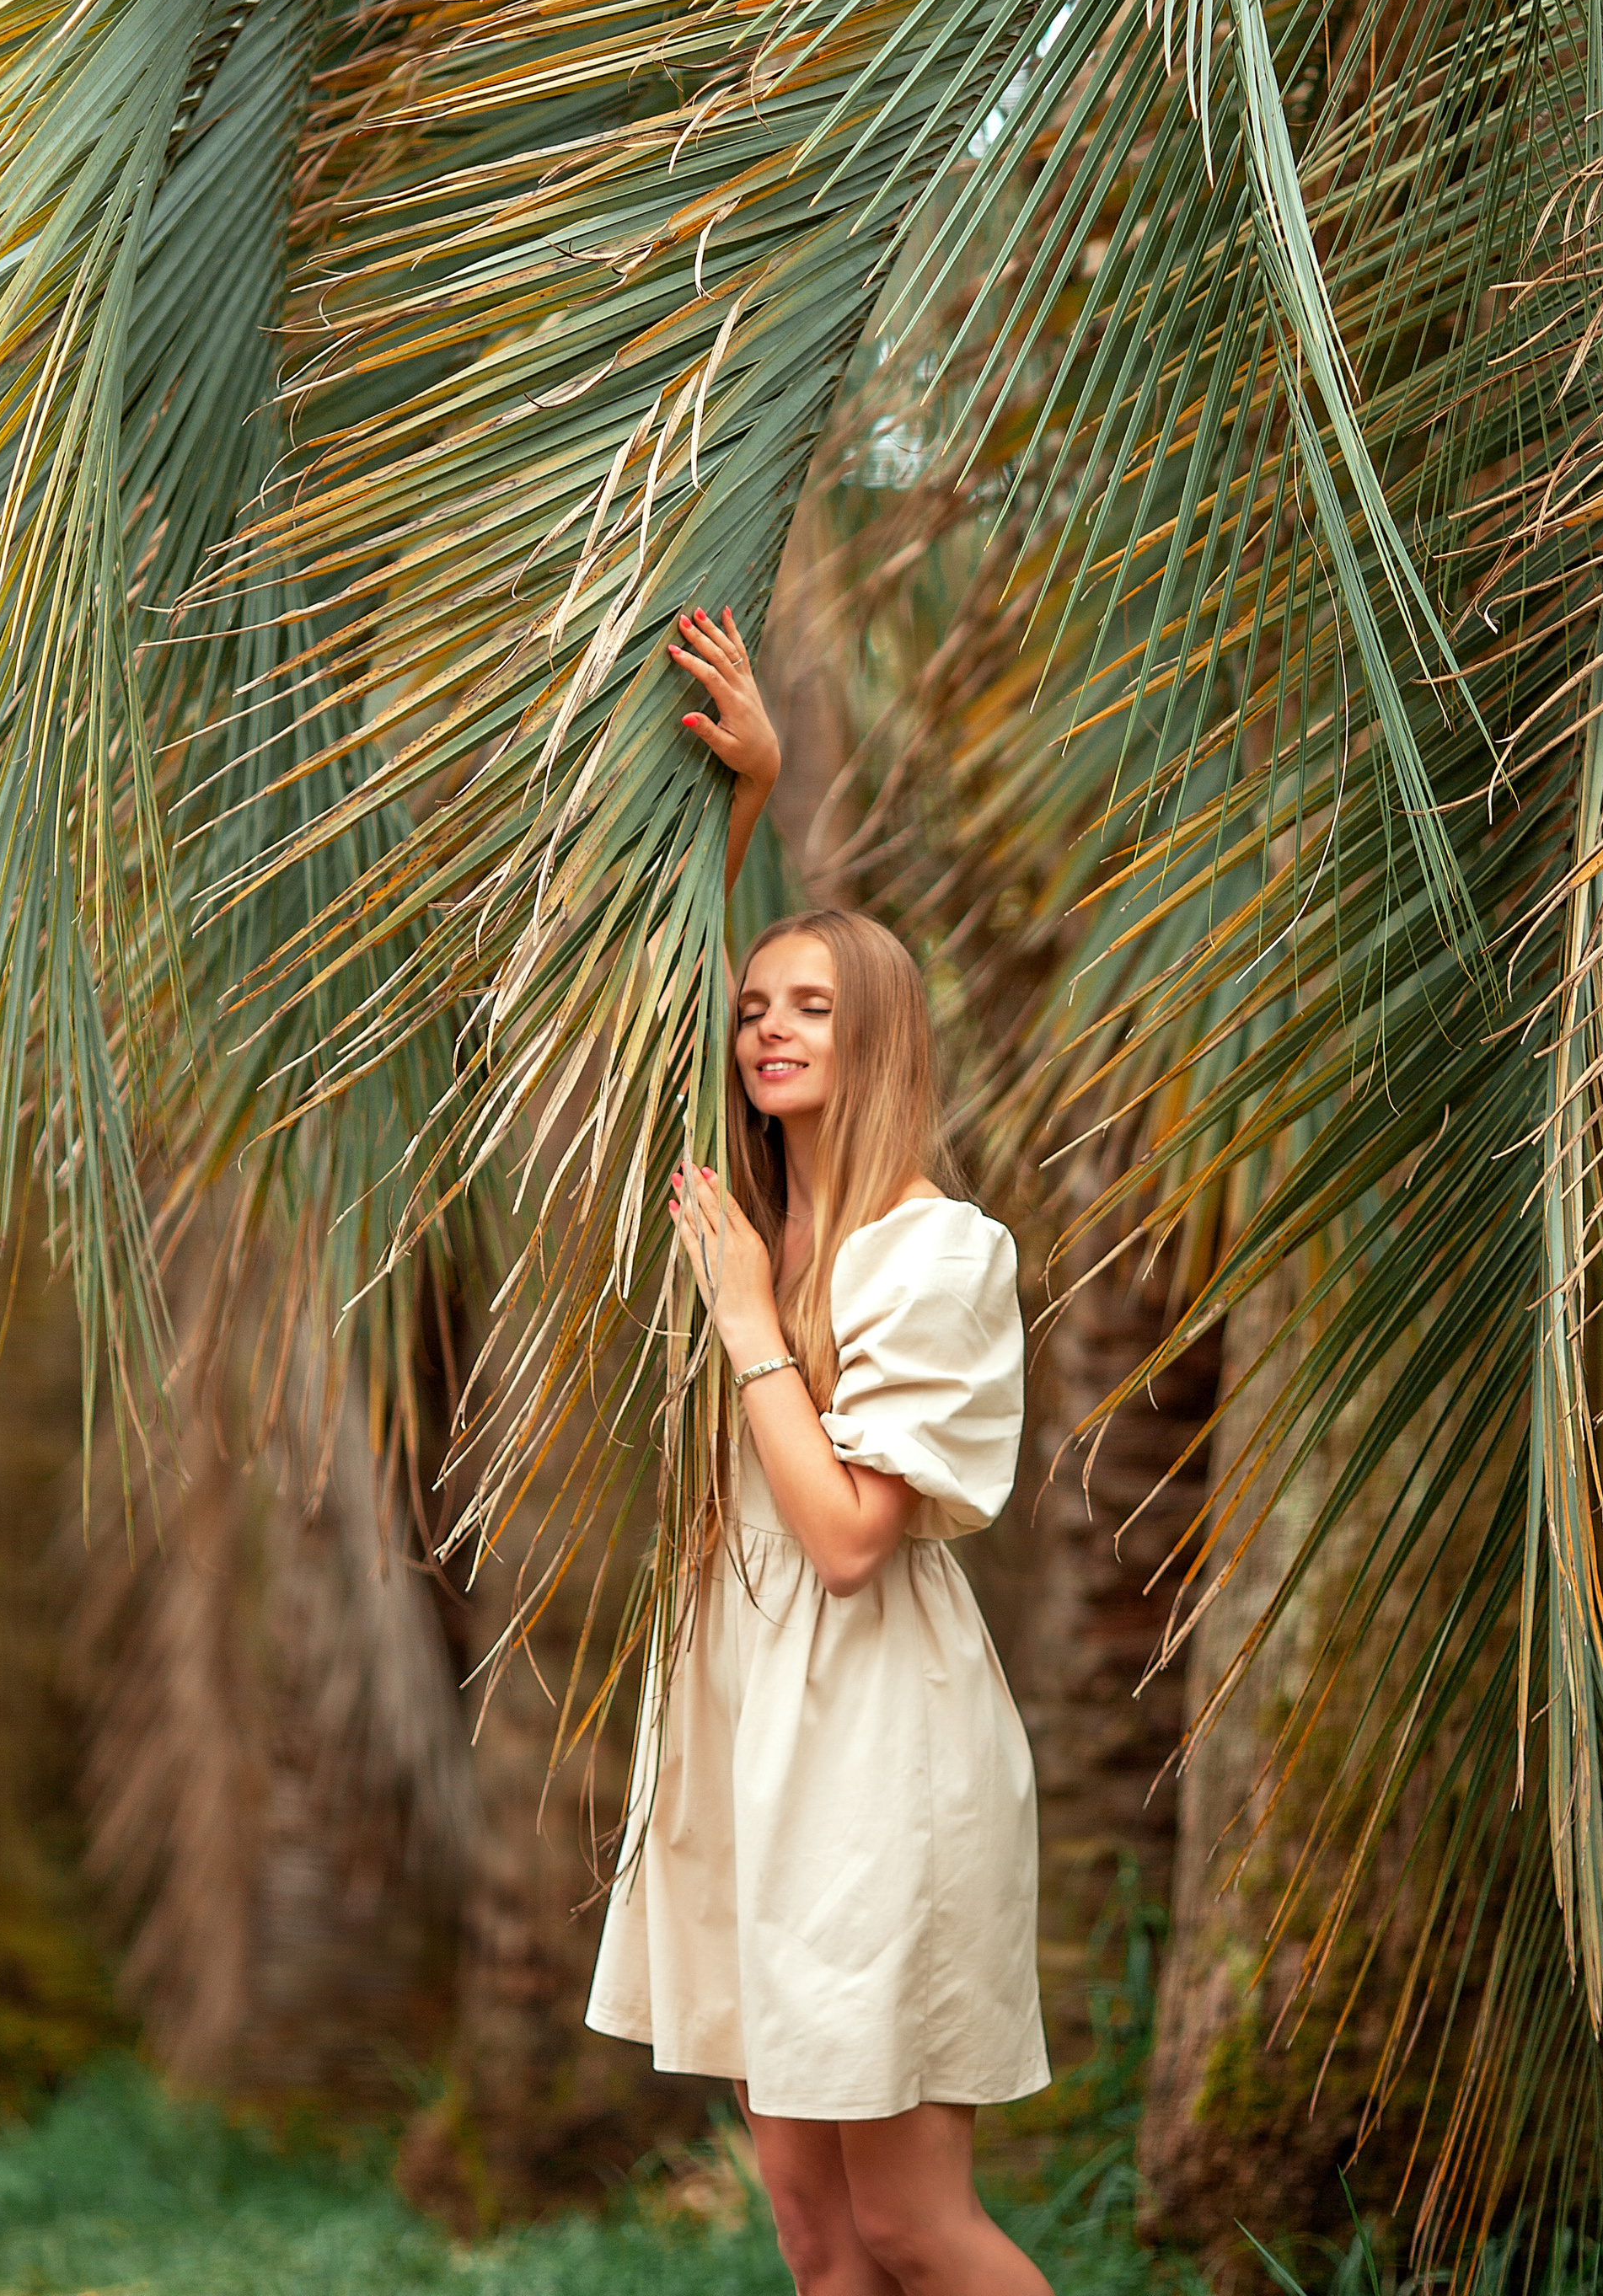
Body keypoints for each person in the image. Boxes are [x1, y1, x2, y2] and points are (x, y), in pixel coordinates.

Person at [586, 601, 1053, 2296]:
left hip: (880, 1746)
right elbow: (655, 998)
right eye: (754, 1007)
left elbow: (852, 1534)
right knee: (806, 2225)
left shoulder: (934, 1253)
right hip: (754, 1725)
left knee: (911, 2224)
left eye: (811, 1011)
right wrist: (746, 803)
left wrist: (744, 1330)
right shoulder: (762, 1228)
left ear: (882, 1047)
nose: (766, 1027)